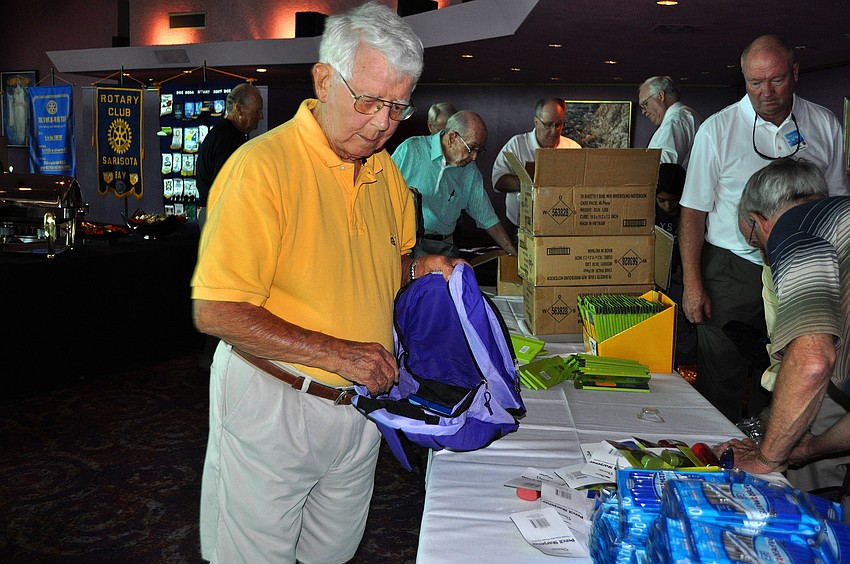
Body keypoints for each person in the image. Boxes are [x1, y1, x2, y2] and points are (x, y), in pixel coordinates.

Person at [190, 3, 460, 561]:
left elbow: (384, 271)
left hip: (360, 404)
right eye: (368, 101)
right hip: (275, 400)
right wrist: (338, 353)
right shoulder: (260, 168)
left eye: (397, 107)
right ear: (322, 80)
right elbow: (218, 311)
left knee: (332, 554)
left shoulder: (387, 172)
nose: (383, 123)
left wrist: (419, 271)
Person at [678, 34, 849, 423]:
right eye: (755, 83)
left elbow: (838, 204)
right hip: (731, 269)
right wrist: (692, 283)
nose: (765, 92)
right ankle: (716, 460)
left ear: (795, 73)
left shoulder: (824, 124)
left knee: (790, 373)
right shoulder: (716, 130)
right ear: (743, 79)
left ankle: (771, 460)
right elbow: (693, 212)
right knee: (720, 374)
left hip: (804, 267)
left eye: (776, 80)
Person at [712, 158, 849, 485]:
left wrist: (766, 459)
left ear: (759, 221)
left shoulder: (794, 230)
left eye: (760, 246)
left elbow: (813, 361)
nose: (768, 259)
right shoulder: (838, 220)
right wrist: (808, 448)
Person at [392, 110, 518, 257]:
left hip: (443, 249)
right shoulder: (411, 149)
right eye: (471, 148)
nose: (475, 157)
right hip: (403, 245)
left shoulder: (469, 171)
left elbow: (488, 218)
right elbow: (380, 192)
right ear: (452, 138)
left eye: (479, 150)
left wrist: (514, 254)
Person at [491, 97, 581, 229]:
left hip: (562, 227)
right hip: (521, 227)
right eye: (548, 125)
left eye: (559, 124)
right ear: (536, 122)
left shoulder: (573, 149)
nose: (554, 131)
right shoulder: (516, 144)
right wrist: (531, 182)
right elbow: (497, 181)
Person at [195, 82, 264, 226]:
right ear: (239, 109)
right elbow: (226, 186)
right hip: (220, 217)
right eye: (257, 110)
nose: (261, 116)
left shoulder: (221, 133)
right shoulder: (228, 138)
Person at [638, 76, 701, 169]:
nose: (643, 111)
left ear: (661, 96)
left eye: (645, 104)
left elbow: (665, 166)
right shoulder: (684, 115)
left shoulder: (675, 120)